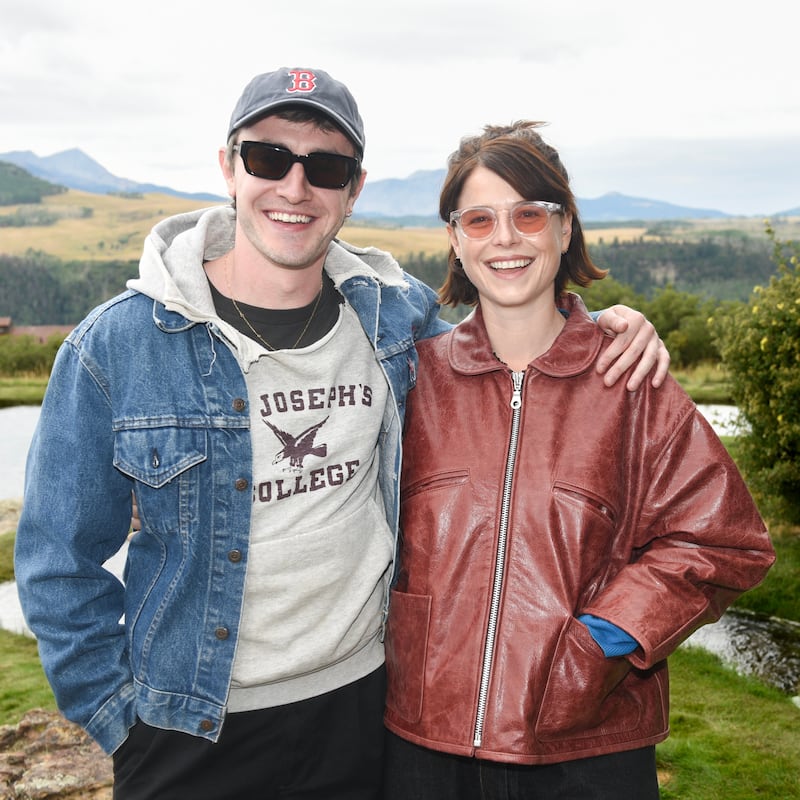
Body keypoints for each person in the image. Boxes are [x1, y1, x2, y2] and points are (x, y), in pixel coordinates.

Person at [15, 69, 667, 799]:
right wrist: (121, 721)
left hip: (362, 713)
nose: (295, 188)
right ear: (228, 167)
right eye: (269, 158)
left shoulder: (397, 322)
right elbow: (57, 561)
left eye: (325, 167)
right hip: (189, 732)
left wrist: (600, 326)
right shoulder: (117, 347)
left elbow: (509, 347)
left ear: (353, 191)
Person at [382, 121, 776, 799]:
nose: (504, 238)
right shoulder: (413, 379)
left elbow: (725, 541)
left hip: (585, 751)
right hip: (422, 746)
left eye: (528, 215)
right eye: (479, 219)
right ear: (454, 238)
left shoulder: (629, 380)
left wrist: (602, 643)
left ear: (564, 231)